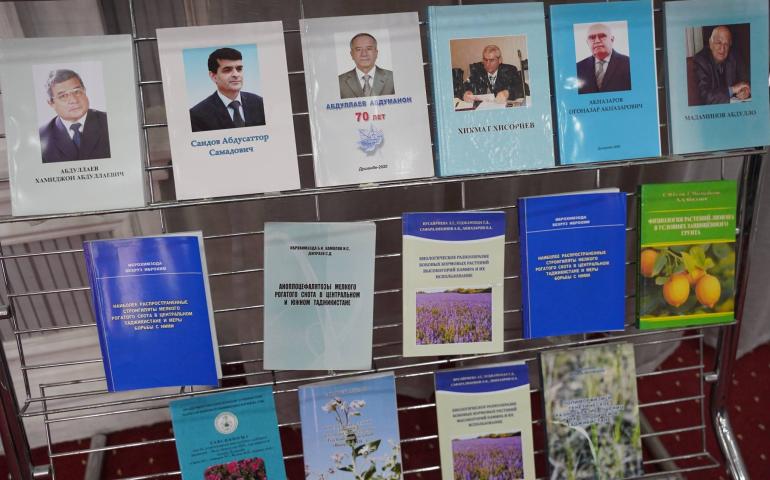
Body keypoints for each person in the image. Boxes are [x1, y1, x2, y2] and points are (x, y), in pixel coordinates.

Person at [39, 69, 110, 163]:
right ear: (51, 103)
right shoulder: (41, 136)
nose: (74, 100)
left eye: (77, 91)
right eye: (63, 96)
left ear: (84, 91)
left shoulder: (109, 122)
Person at [189, 47, 266, 132]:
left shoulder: (260, 103)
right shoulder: (198, 115)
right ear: (213, 76)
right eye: (227, 70)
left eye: (239, 69)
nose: (236, 74)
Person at [691, 25, 750, 105]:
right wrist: (732, 90)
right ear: (710, 43)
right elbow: (705, 97)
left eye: (726, 44)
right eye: (718, 43)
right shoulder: (700, 60)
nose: (722, 48)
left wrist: (745, 90)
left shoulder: (734, 57)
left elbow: (745, 81)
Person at [576, 23, 631, 94]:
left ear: (612, 39)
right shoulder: (578, 68)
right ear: (587, 43)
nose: (597, 41)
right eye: (592, 37)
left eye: (602, 36)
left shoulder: (629, 64)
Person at [338, 33, 395, 99]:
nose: (364, 54)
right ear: (352, 54)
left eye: (369, 49)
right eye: (358, 49)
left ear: (376, 53)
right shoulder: (340, 81)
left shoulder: (392, 78)